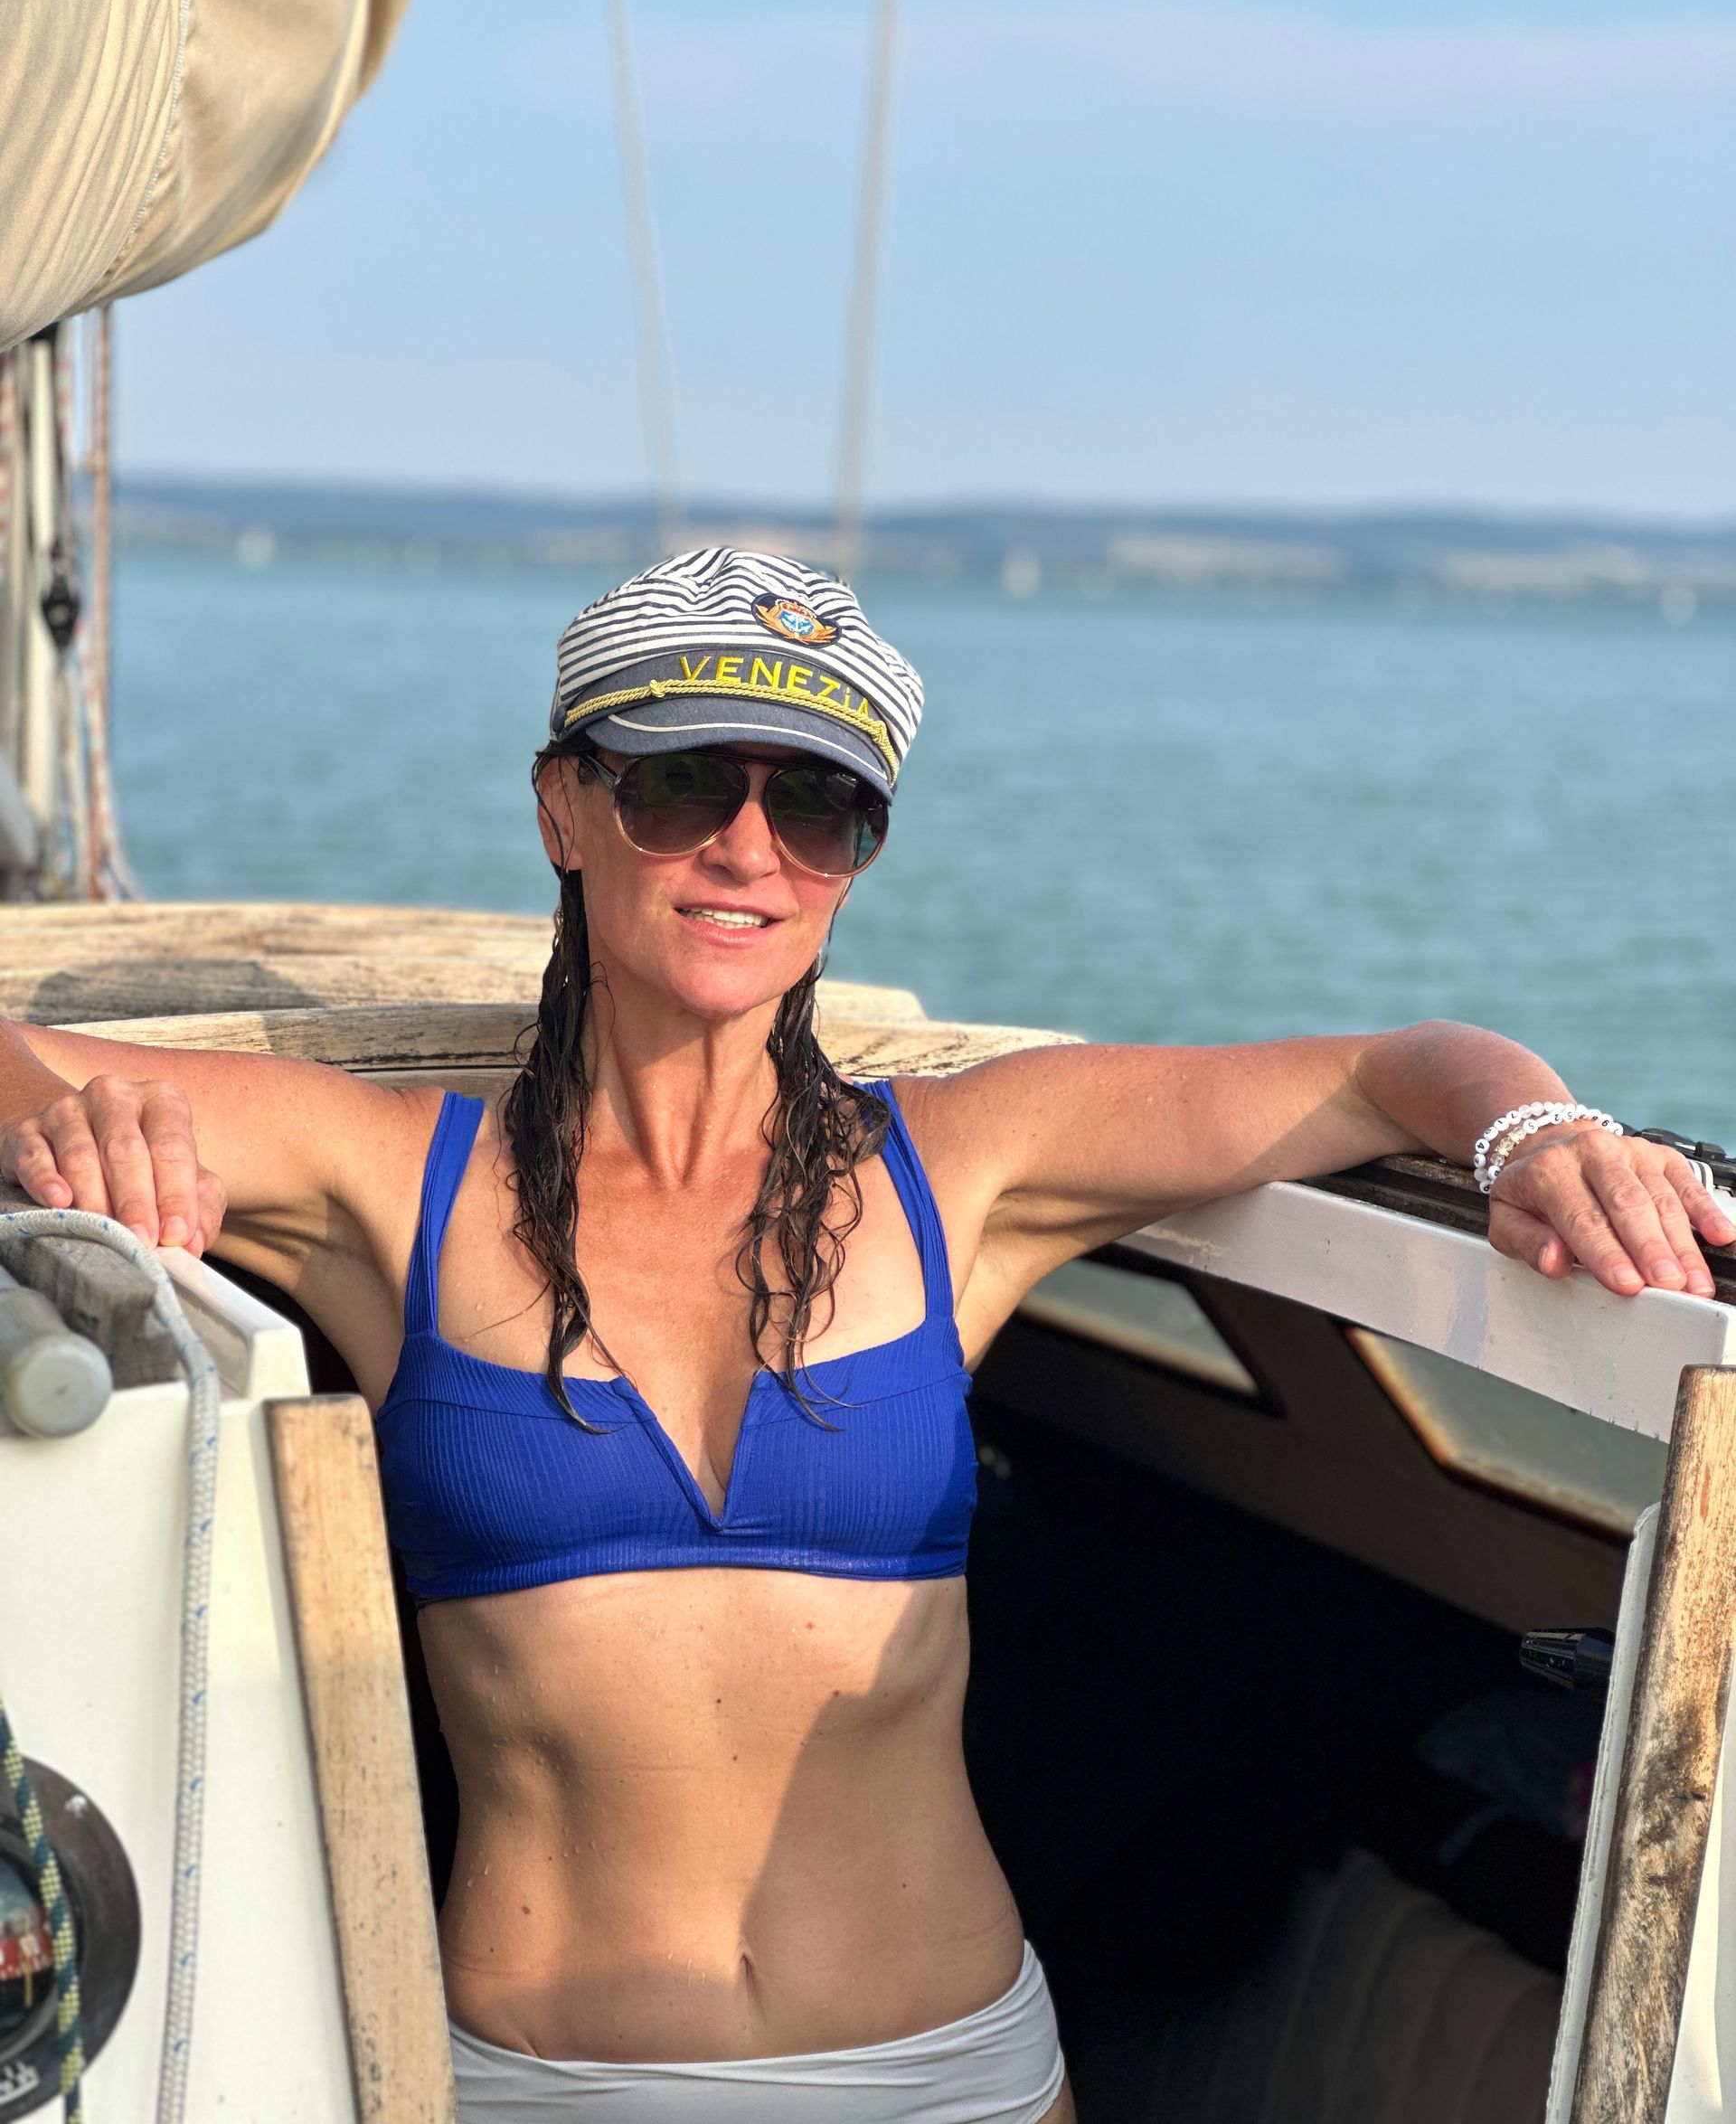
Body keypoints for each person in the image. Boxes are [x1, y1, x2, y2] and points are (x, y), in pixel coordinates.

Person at [1, 544, 1728, 2124]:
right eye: (689, 783)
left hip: (953, 2074)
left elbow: (1385, 1068)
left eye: (820, 807)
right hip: (540, 2090)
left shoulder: (962, 1170)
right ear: (564, 808)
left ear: (857, 861)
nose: (753, 848)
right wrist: (77, 1128)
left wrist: (1537, 1138)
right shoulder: (399, 1183)